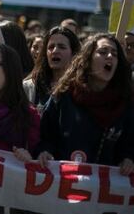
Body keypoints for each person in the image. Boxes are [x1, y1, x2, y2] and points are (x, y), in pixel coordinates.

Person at [37, 33, 134, 175]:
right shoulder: (64, 96)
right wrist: (44, 151)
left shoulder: (125, 103)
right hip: (63, 186)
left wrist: (129, 159)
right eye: (102, 52)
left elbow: (129, 144)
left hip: (102, 192)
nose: (109, 57)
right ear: (88, 59)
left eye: (114, 54)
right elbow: (44, 135)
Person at [23, 26, 80, 112]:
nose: (55, 51)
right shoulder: (29, 88)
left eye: (62, 47)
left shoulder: (81, 89)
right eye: (51, 47)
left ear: (73, 53)